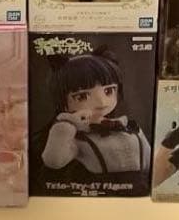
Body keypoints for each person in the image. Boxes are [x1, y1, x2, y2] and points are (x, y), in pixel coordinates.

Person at [37, 48, 150, 193]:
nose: (102, 102)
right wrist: (66, 125)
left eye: (108, 91)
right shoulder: (75, 135)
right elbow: (54, 161)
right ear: (63, 102)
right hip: (99, 194)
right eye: (82, 96)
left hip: (139, 193)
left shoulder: (129, 126)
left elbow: (149, 162)